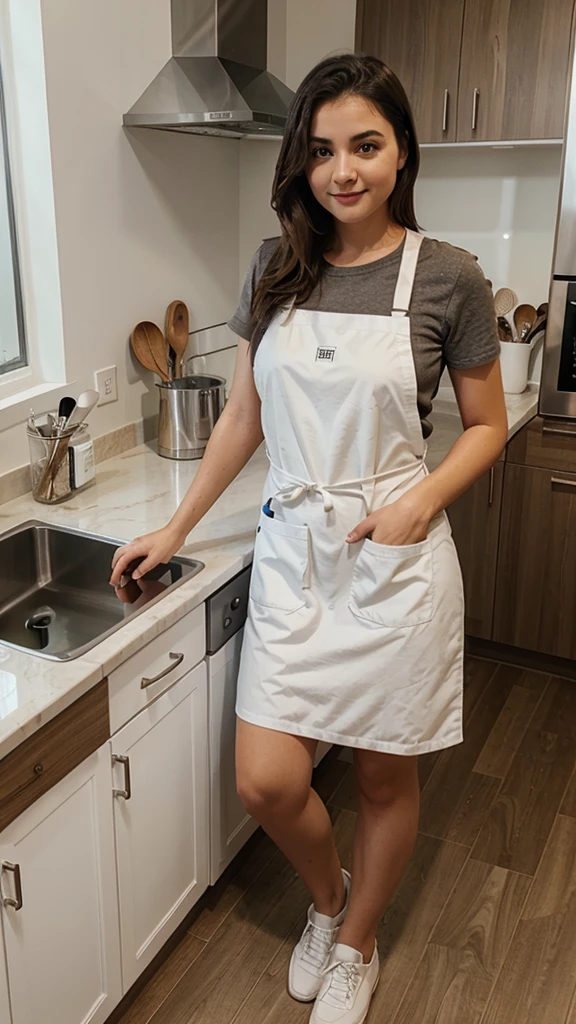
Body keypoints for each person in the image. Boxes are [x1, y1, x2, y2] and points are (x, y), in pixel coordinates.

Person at [110, 53, 507, 1024]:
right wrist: (173, 526)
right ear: (302, 161)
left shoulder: (449, 277)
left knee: (381, 772)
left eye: (365, 146)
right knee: (267, 778)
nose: (344, 171)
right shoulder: (276, 266)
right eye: (323, 149)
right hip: (295, 552)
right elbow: (242, 419)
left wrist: (424, 501)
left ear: (401, 152)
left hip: (392, 555)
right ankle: (327, 902)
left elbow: (489, 426)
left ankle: (358, 943)